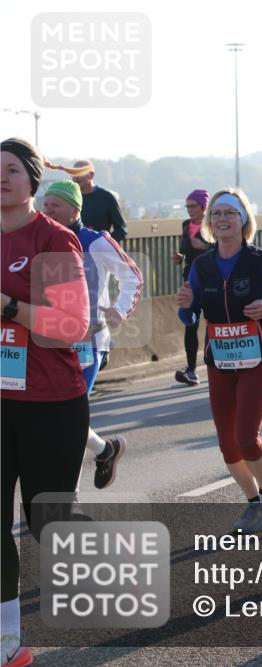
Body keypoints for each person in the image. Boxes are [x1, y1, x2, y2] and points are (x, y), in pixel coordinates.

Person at [2, 138, 91, 667]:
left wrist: (9, 307)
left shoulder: (52, 241)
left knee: (45, 521)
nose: (1, 178)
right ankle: (8, 641)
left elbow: (70, 326)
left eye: (11, 170)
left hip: (51, 401)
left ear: (33, 180)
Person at [176, 188, 262, 533]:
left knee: (245, 437)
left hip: (257, 360)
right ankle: (254, 503)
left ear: (243, 221)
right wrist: (185, 305)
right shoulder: (202, 266)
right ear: (210, 222)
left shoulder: (261, 261)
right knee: (227, 444)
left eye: (230, 213)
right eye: (216, 214)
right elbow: (189, 319)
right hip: (220, 362)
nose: (222, 219)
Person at [42, 180, 143, 489]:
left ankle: (66, 496)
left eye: (54, 206)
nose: (47, 211)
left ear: (74, 209)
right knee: (48, 417)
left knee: (68, 418)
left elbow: (133, 277)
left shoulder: (96, 241)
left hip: (88, 342)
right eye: (44, 206)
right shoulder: (39, 240)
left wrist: (120, 309)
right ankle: (105, 450)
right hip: (46, 342)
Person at [173, 189, 211, 386]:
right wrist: (179, 257)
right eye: (187, 206)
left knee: (211, 323)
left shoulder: (213, 224)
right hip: (191, 280)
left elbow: (225, 248)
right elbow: (184, 249)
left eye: (193, 206)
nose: (189, 210)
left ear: (204, 207)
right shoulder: (186, 225)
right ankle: (191, 370)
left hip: (212, 280)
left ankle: (213, 365)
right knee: (190, 323)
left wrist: (205, 248)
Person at [70, 160, 128, 242]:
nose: (77, 177)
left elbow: (121, 230)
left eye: (81, 172)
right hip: (74, 250)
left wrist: (103, 243)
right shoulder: (69, 198)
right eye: (74, 173)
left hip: (99, 252)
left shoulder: (106, 197)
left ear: (91, 175)